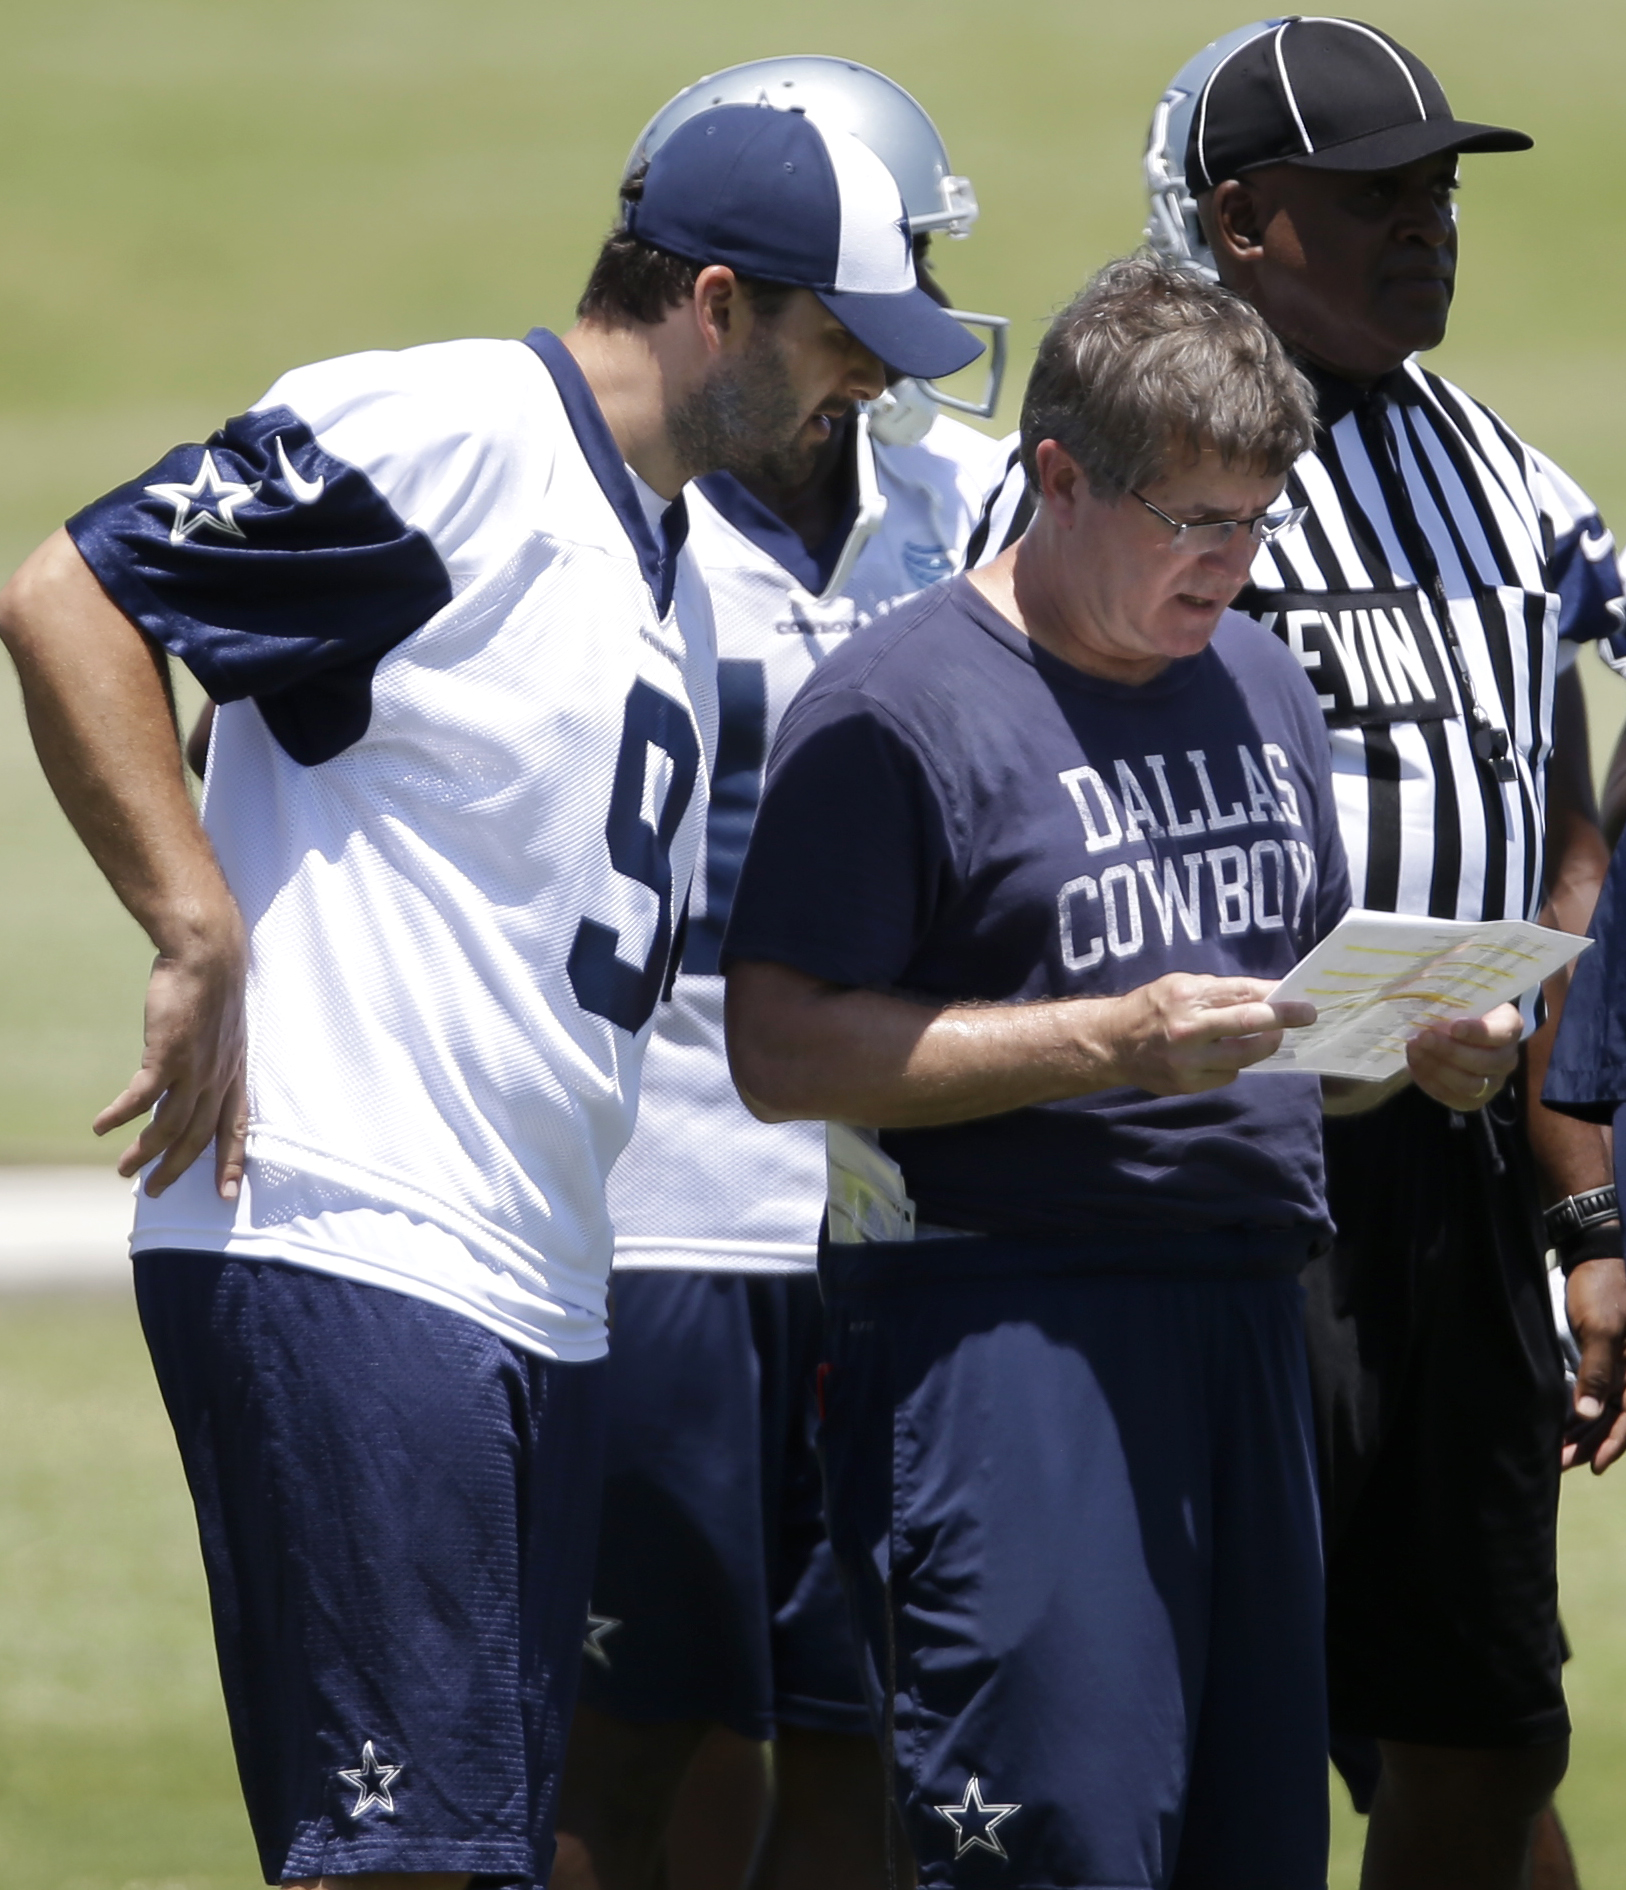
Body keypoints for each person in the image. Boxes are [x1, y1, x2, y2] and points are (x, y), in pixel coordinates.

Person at [0, 103, 980, 1890]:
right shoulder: (453, 428)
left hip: (528, 1275)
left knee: (479, 1852)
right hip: (358, 1232)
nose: (863, 388)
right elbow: (74, 592)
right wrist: (192, 916)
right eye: (839, 341)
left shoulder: (663, 543)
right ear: (710, 302)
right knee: (408, 1864)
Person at [722, 256, 1521, 1890]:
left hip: (1248, 1315)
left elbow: (1277, 1044)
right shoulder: (895, 708)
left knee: (1250, 1847)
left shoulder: (1259, 680)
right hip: (1005, 1327)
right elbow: (780, 1045)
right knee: (1058, 1840)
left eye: (1255, 522)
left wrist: (1410, 1056)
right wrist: (1107, 1041)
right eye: (1189, 522)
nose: (1226, 568)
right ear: (1058, 476)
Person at [1137, 20, 1626, 1889]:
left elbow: (1565, 842)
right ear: (1243, 221)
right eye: (1374, 197)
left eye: (1437, 192)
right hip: (1224, 1173)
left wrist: (1583, 1206)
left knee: (1480, 1736)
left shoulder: (1503, 470)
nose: (1427, 227)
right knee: (1216, 1726)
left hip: (1451, 1169)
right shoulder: (1136, 463)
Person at [552, 59, 1012, 1890]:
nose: (885, 356)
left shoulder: (977, 498)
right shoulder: (583, 500)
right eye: (854, 308)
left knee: (867, 1735)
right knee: (629, 1743)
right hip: (661, 1204)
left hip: (906, 1207)